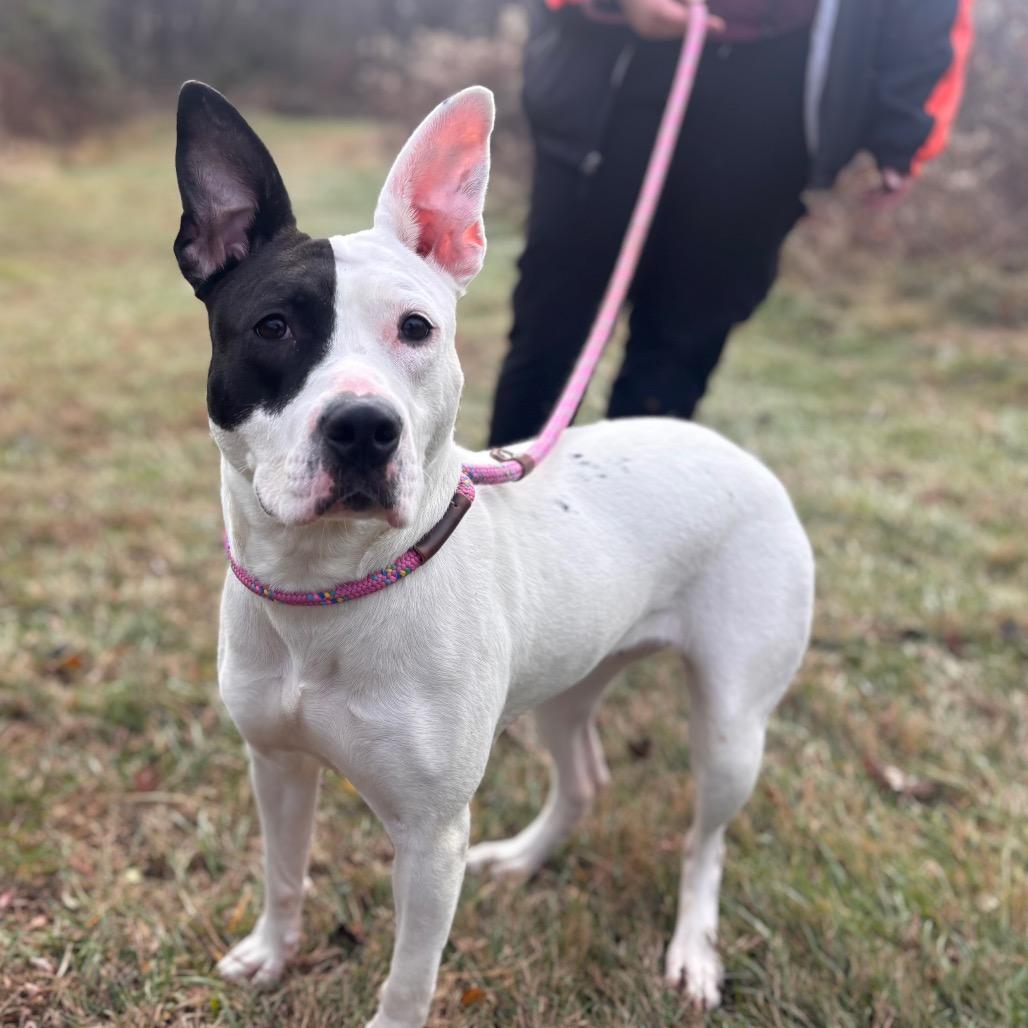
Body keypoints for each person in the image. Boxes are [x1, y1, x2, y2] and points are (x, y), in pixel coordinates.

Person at [488, 0, 973, 447]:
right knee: (552, 323)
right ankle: (500, 517)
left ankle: (629, 520)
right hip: (615, 72)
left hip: (776, 96)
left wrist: (902, 129)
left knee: (685, 338)